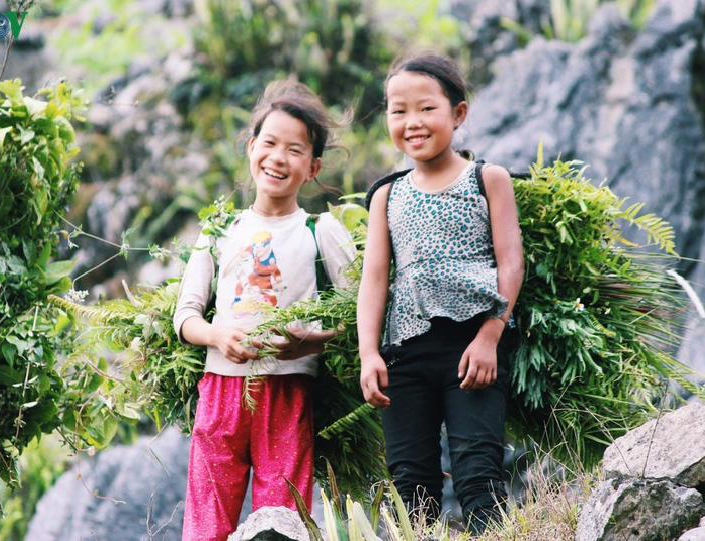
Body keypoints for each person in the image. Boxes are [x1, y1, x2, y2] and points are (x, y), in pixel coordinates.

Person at [174, 79, 356, 540]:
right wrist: (217, 336)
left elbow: (361, 315)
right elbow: (186, 315)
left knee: (281, 527)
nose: (278, 158)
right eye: (270, 143)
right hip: (220, 396)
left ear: (312, 167)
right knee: (206, 525)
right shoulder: (218, 230)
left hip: (287, 394)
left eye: (295, 150)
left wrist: (310, 343)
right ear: (251, 147)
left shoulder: (321, 230)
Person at [357, 52, 524, 534]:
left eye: (426, 108)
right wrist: (369, 353)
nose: (412, 122)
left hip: (473, 349)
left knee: (478, 475)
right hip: (403, 357)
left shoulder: (487, 178)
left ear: (458, 113)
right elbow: (375, 279)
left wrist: (491, 336)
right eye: (398, 110)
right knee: (412, 483)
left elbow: (511, 264)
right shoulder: (387, 194)